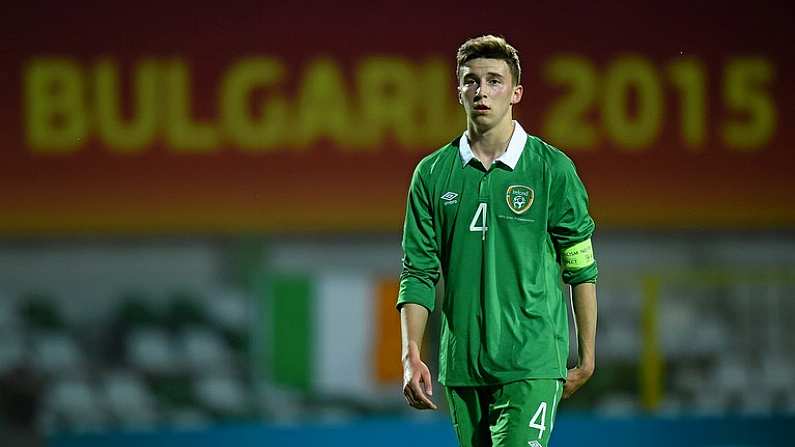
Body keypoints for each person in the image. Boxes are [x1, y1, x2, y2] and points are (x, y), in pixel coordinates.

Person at [397, 35, 598, 447]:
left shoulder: (551, 170)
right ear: (458, 91)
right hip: (462, 365)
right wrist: (411, 353)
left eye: (494, 81)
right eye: (471, 81)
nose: (482, 91)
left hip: (532, 359)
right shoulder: (432, 175)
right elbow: (417, 272)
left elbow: (580, 266)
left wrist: (587, 355)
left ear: (516, 92)